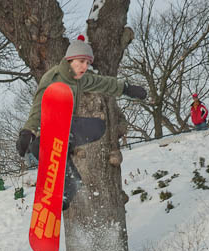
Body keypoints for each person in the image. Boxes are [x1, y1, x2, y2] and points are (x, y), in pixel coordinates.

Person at [16, 35, 147, 210]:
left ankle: (68, 166)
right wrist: (28, 131)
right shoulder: (52, 77)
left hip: (70, 127)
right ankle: (62, 176)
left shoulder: (80, 79)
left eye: (87, 63)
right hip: (52, 127)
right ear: (70, 59)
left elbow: (103, 83)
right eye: (81, 61)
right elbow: (38, 106)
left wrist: (127, 88)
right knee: (36, 147)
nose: (85, 67)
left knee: (98, 126)